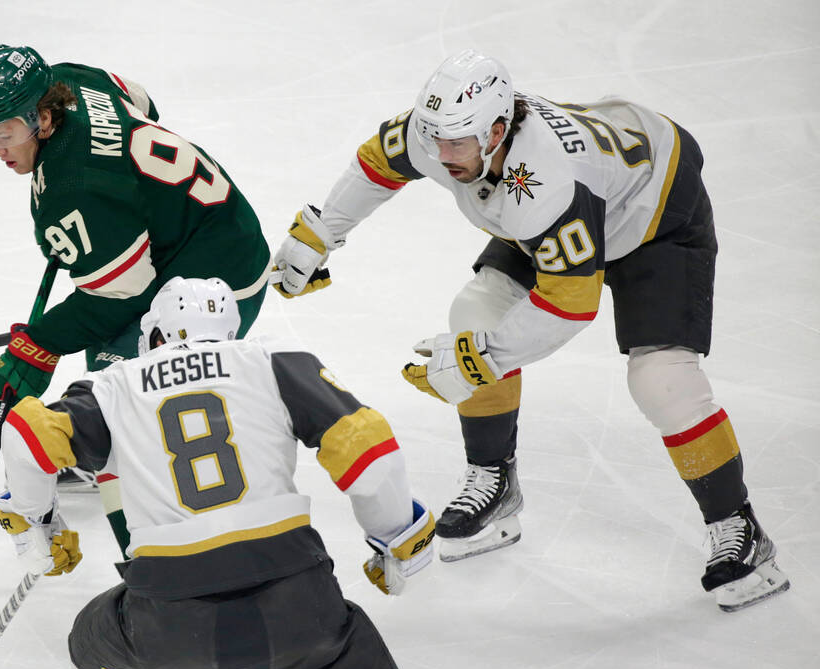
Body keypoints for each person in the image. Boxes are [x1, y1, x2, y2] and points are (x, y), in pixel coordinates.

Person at [270, 49, 788, 613]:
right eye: (435, 139)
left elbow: (568, 305)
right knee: (475, 316)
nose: (442, 158)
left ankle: (740, 527)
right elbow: (378, 162)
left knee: (661, 379)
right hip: (581, 205)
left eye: (458, 144)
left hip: (654, 215)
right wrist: (322, 231)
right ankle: (495, 481)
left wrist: (479, 362)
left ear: (496, 131)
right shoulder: (446, 134)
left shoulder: (544, 183)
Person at [0, 277, 434, 669]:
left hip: (168, 618)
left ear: (156, 336)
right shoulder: (271, 360)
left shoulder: (112, 386)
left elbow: (27, 433)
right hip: (297, 601)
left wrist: (34, 526)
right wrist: (397, 538)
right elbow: (368, 450)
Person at [0, 44, 273, 545]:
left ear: (42, 117)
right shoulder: (69, 80)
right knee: (109, 376)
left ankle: (146, 559)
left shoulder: (74, 189)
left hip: (215, 284)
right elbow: (143, 104)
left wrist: (39, 343)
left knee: (122, 401)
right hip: (219, 230)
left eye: (5, 135)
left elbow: (121, 297)